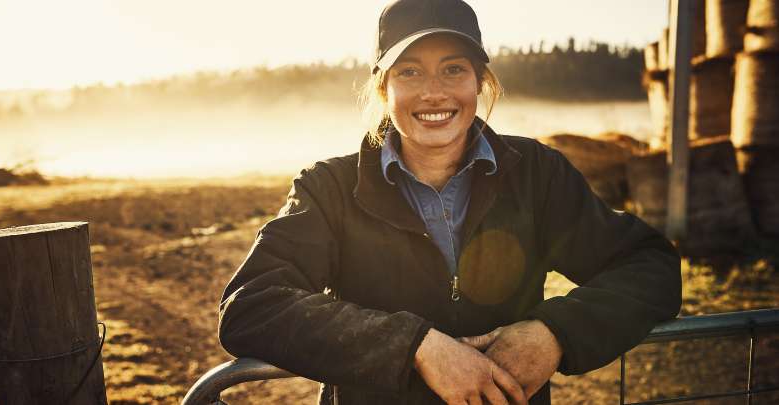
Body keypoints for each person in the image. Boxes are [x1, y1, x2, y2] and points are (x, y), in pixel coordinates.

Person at [218, 0, 682, 404]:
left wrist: (555, 332)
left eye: (454, 68)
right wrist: (414, 347)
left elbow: (649, 266)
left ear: (480, 80)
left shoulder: (536, 173)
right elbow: (252, 306)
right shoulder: (330, 188)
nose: (433, 92)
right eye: (410, 71)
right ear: (384, 87)